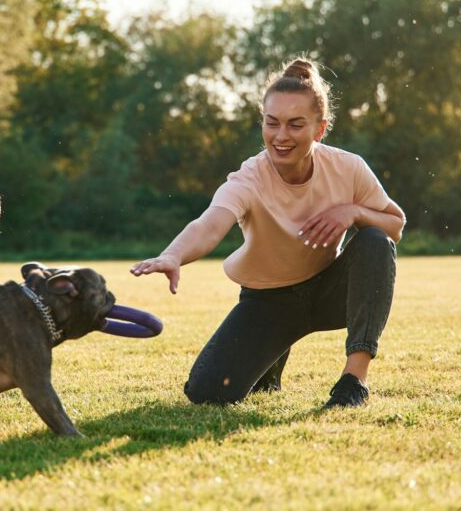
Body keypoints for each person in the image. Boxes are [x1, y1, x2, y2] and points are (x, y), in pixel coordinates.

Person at [130, 58, 405, 408]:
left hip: (330, 291)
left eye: (295, 125)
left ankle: (354, 381)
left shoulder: (347, 167)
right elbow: (210, 223)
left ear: (319, 130)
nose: (280, 136)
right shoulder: (249, 178)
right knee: (208, 392)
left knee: (374, 241)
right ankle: (272, 360)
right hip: (270, 300)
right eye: (271, 123)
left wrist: (354, 212)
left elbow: (394, 225)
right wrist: (172, 255)